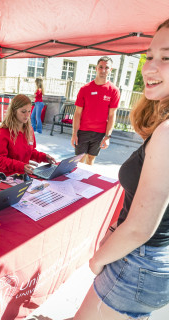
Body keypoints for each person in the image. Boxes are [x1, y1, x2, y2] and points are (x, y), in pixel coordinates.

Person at [73, 19, 169, 320]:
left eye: (166, 58)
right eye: (150, 56)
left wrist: (97, 260)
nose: (149, 68)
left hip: (139, 262)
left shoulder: (167, 133)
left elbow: (140, 227)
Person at [71, 56, 120, 165]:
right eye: (101, 67)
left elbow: (112, 115)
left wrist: (107, 136)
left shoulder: (114, 90)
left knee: (90, 161)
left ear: (110, 70)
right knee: (79, 160)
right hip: (83, 131)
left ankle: (85, 182)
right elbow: (77, 113)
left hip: (99, 133)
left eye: (106, 67)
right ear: (96, 68)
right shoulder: (85, 89)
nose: (103, 70)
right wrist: (74, 133)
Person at [0, 94, 56, 177]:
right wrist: (21, 166)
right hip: (4, 176)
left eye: (29, 111)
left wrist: (44, 157)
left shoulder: (29, 129)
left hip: (21, 175)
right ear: (14, 111)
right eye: (23, 111)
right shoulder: (3, 132)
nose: (27, 115)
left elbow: (30, 152)